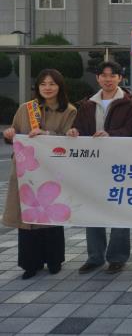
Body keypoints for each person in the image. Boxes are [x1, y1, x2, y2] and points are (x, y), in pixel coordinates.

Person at [67, 61, 132, 274]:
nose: (108, 79)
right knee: (92, 209)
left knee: (118, 210)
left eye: (113, 75)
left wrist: (111, 135)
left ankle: (117, 257)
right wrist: (74, 132)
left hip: (120, 165)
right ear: (97, 78)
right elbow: (80, 129)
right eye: (104, 75)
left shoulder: (131, 105)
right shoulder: (87, 105)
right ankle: (95, 257)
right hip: (93, 166)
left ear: (120, 78)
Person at [2, 69, 77, 279]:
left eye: (52, 84)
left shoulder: (69, 110)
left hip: (52, 170)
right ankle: (29, 264)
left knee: (50, 215)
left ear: (60, 86)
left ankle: (54, 260)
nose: (47, 88)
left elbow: (68, 139)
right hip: (26, 171)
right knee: (27, 218)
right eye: (43, 84)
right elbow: (14, 133)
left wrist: (46, 134)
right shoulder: (26, 108)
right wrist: (9, 134)